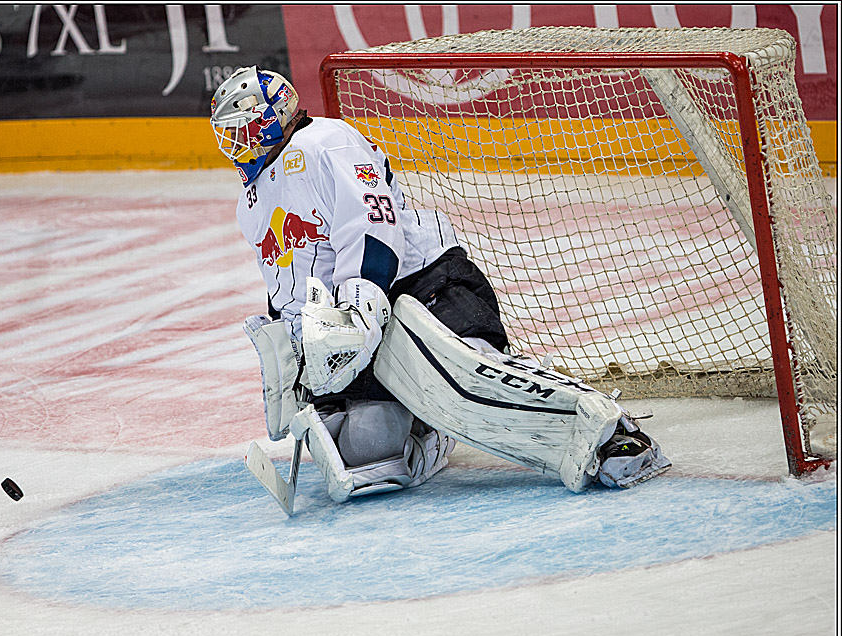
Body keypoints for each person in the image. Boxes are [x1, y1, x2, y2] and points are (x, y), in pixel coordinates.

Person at [211, 66, 670, 504]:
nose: (233, 138)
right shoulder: (250, 202)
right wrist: (299, 363)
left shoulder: (324, 142)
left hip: (422, 289)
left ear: (272, 114)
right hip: (359, 328)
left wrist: (358, 303)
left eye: (242, 123)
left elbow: (373, 222)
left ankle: (612, 431)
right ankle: (434, 426)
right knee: (365, 452)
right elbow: (288, 285)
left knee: (466, 384)